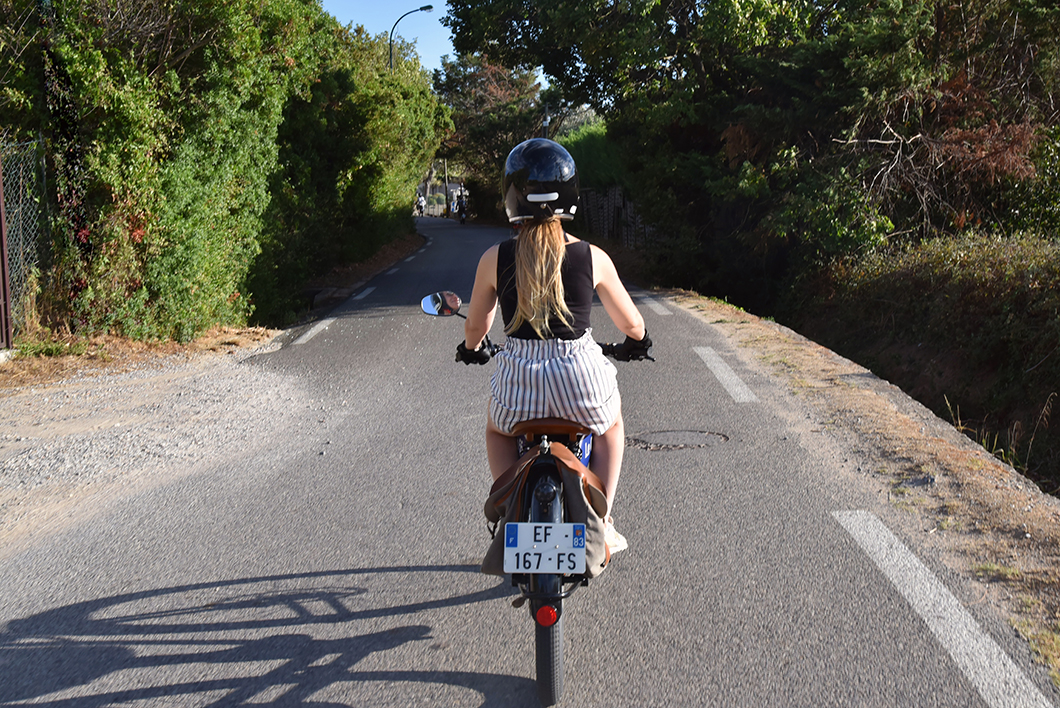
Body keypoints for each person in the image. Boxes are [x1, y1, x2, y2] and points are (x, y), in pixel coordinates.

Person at [457, 138, 652, 553]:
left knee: (496, 430)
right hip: (581, 380)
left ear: (511, 196)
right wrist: (638, 341)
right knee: (612, 427)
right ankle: (602, 521)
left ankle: (509, 509)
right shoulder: (592, 256)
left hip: (519, 382)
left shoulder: (495, 258)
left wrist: (471, 348)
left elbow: (477, 325)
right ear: (570, 195)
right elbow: (632, 323)